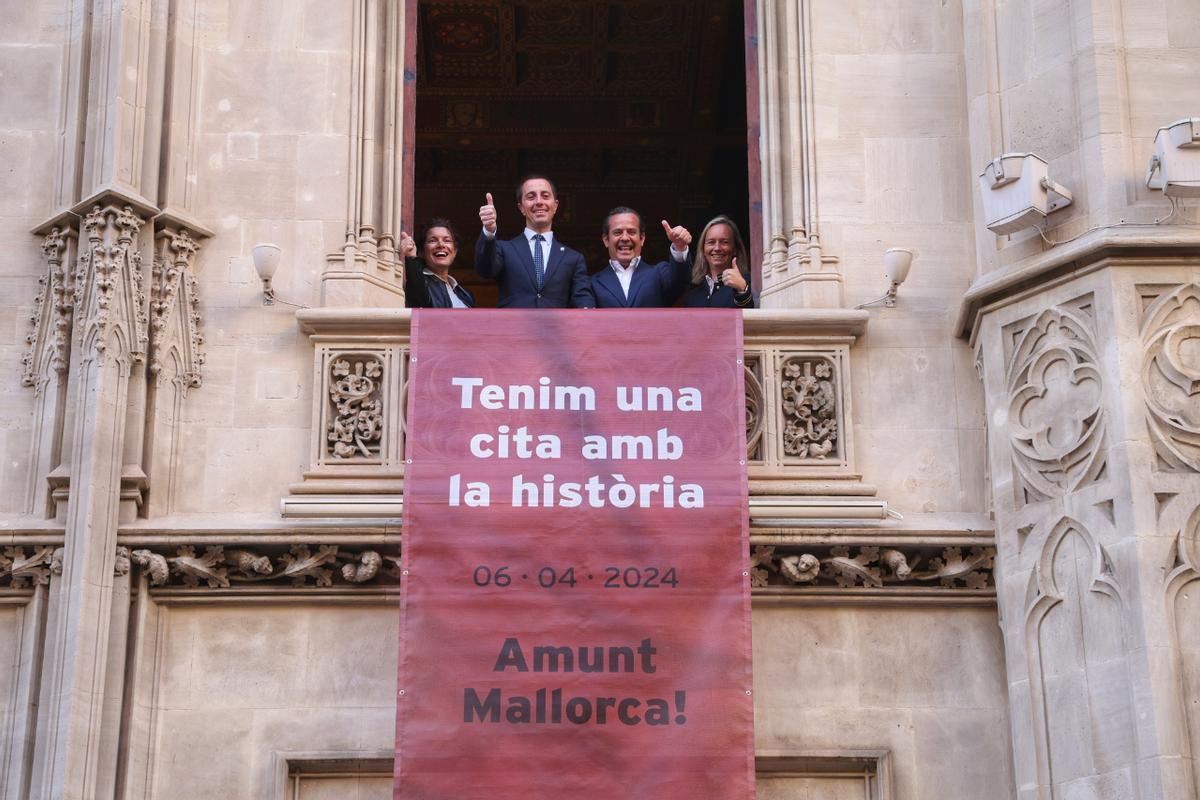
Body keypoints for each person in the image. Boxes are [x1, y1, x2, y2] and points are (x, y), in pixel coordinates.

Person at [474, 176, 592, 308]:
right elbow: (485, 271)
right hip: (513, 327)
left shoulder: (573, 258)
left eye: (545, 196)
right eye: (531, 197)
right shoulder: (504, 249)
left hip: (554, 328)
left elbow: (583, 301)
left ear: (556, 206)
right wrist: (489, 230)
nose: (539, 202)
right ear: (521, 208)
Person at [588, 207, 692, 308]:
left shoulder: (660, 274)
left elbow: (681, 281)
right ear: (606, 240)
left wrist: (680, 246)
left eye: (632, 232)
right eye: (617, 232)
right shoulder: (592, 283)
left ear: (642, 239)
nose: (625, 238)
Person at [400, 219, 475, 308]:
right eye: (433, 240)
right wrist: (411, 257)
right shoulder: (420, 283)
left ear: (454, 252)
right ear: (422, 252)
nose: (441, 244)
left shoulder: (465, 294)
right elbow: (419, 300)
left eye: (447, 240)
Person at [683, 215, 754, 308]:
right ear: (703, 250)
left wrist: (742, 289)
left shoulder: (750, 283)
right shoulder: (691, 297)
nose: (717, 248)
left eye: (724, 242)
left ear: (735, 249)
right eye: (711, 242)